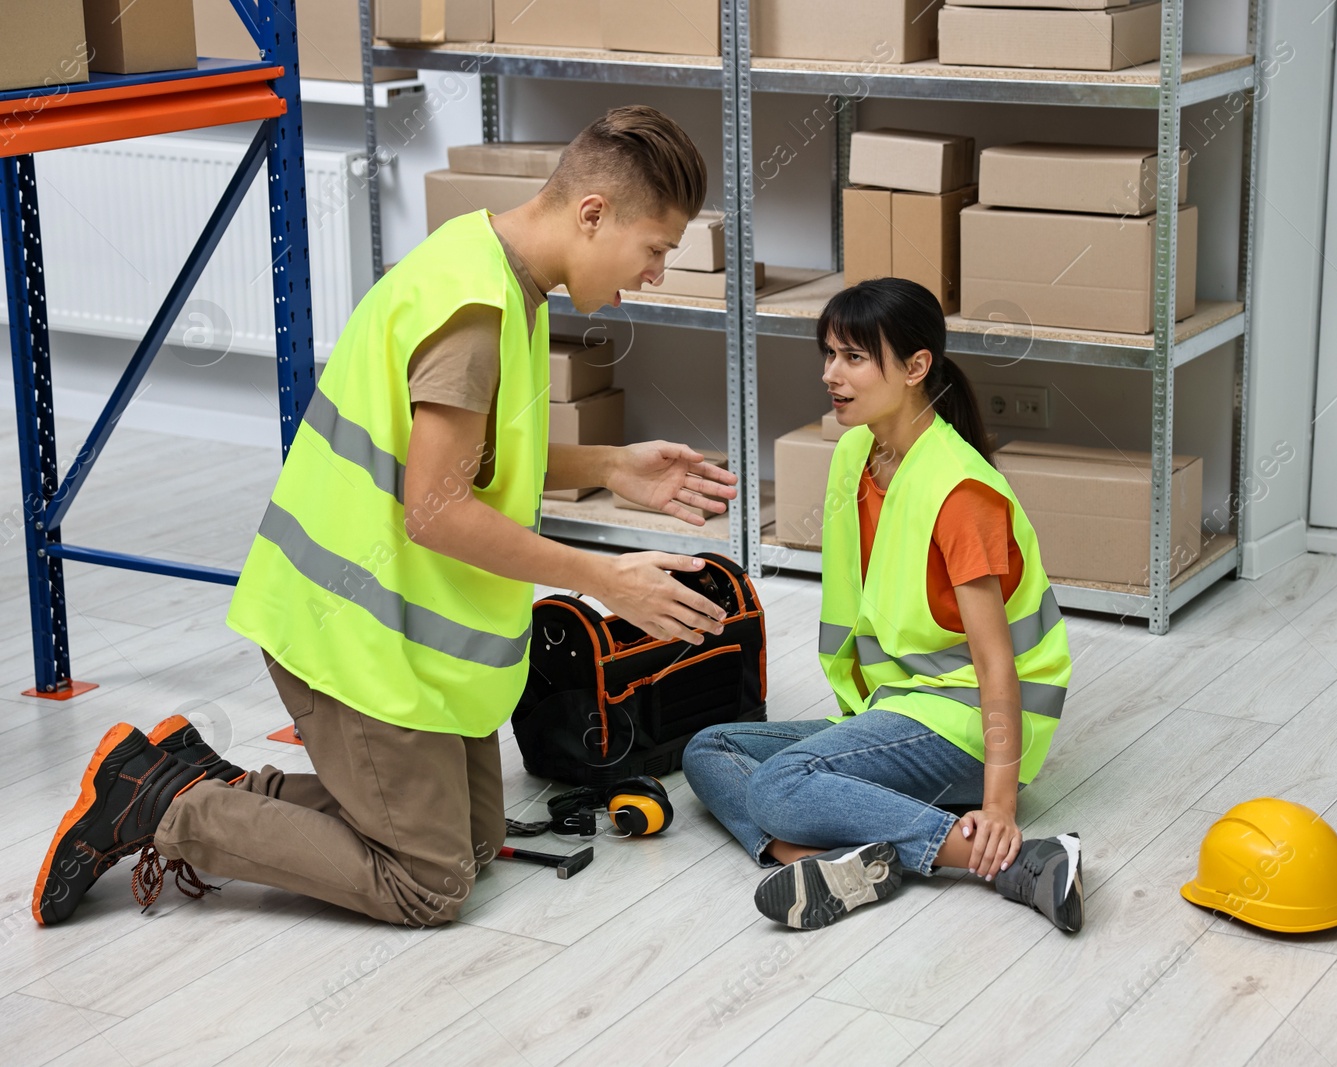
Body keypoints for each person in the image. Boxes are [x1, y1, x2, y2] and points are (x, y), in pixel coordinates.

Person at [34, 105, 738, 928]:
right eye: (655, 249)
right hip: (348, 633)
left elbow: (467, 460)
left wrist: (612, 466)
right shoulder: (475, 311)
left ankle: (189, 774)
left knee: (472, 848)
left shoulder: (494, 266)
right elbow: (436, 514)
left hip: (400, 634)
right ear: (593, 214)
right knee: (428, 882)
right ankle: (161, 807)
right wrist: (602, 576)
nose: (656, 272)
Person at [683, 278, 1081, 933]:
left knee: (781, 784)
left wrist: (1001, 804)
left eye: (853, 357)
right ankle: (830, 861)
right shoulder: (855, 454)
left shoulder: (959, 492)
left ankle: (1009, 861)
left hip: (968, 729)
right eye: (829, 354)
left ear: (917, 366)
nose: (830, 374)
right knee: (710, 746)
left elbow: (996, 662)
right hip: (895, 709)